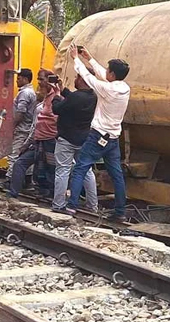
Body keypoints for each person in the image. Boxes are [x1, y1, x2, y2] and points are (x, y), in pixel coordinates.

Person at [66, 47, 131, 221]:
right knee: (116, 175)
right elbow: (104, 75)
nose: (106, 72)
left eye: (108, 70)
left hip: (98, 136)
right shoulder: (124, 88)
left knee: (80, 168)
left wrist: (76, 59)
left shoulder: (106, 89)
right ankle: (120, 212)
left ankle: (71, 206)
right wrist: (90, 58)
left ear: (112, 74)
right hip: (113, 139)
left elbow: (89, 78)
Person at [51, 73, 99, 214]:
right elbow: (73, 100)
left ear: (83, 79)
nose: (75, 79)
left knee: (63, 170)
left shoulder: (76, 97)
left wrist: (57, 95)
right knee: (87, 171)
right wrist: (63, 89)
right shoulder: (93, 97)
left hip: (66, 138)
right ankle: (92, 205)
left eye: (77, 77)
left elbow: (57, 109)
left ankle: (58, 204)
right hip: (84, 139)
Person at [9, 75, 60, 198]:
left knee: (50, 168)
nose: (39, 83)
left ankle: (51, 194)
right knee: (21, 163)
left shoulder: (56, 99)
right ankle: (14, 192)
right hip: (38, 140)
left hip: (49, 140)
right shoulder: (44, 99)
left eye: (42, 80)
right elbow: (35, 125)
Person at [6, 68, 37, 180]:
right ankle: (26, 179)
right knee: (24, 156)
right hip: (28, 128)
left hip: (22, 129)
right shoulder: (31, 92)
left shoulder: (24, 93)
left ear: (25, 79)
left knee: (14, 154)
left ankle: (10, 179)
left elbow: (20, 112)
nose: (16, 81)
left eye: (18, 79)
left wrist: (12, 126)